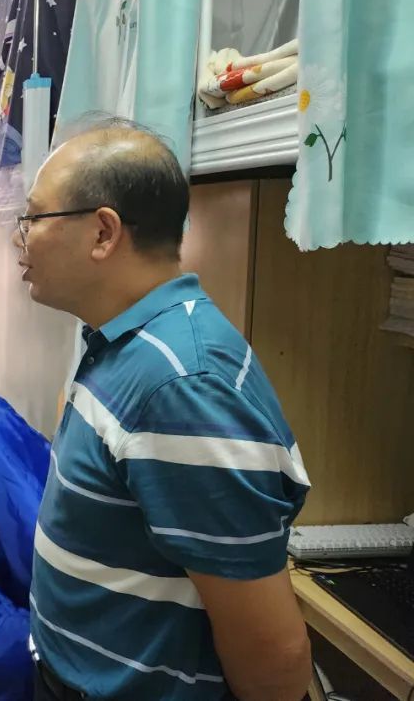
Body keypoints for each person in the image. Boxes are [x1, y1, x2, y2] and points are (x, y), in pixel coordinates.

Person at [16, 117, 313, 701]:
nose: (19, 238)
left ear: (103, 233)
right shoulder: (123, 342)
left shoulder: (181, 387)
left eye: (33, 218)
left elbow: (273, 661)